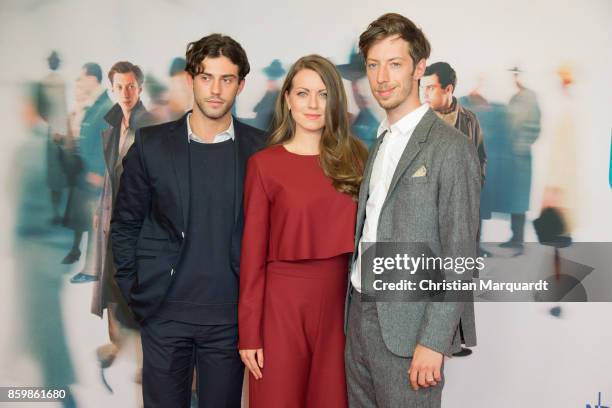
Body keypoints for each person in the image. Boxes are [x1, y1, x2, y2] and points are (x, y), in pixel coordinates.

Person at [110, 34, 265, 407]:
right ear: (190, 79)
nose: (215, 89)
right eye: (206, 77)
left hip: (229, 321)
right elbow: (125, 223)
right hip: (164, 314)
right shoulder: (151, 145)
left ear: (241, 84)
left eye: (226, 79)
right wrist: (137, 293)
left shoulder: (261, 150)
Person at [345, 13, 481, 408]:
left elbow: (461, 254)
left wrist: (434, 340)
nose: (382, 76)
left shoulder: (451, 149)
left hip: (411, 333)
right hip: (359, 318)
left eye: (395, 63)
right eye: (374, 65)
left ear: (419, 67)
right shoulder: (380, 142)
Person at [238, 55, 368, 408]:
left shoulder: (359, 159)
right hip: (279, 308)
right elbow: (251, 256)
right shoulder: (264, 166)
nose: (312, 104)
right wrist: (249, 333)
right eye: (303, 93)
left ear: (336, 102)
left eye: (323, 94)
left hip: (341, 308)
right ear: (288, 99)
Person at [90, 61, 155, 370]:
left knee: (139, 288)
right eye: (119, 87)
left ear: (140, 88)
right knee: (113, 287)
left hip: (140, 224)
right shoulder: (113, 125)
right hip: (113, 220)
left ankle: (147, 359)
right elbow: (111, 172)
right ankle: (118, 343)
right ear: (111, 90)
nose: (126, 92)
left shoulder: (150, 124)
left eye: (131, 86)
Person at [62, 62, 113, 284]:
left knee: (95, 223)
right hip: (86, 175)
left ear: (93, 79)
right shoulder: (95, 105)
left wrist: (99, 171)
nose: (80, 82)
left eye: (82, 78)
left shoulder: (105, 106)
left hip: (95, 176)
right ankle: (88, 265)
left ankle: (92, 271)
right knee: (88, 220)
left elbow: (109, 143)